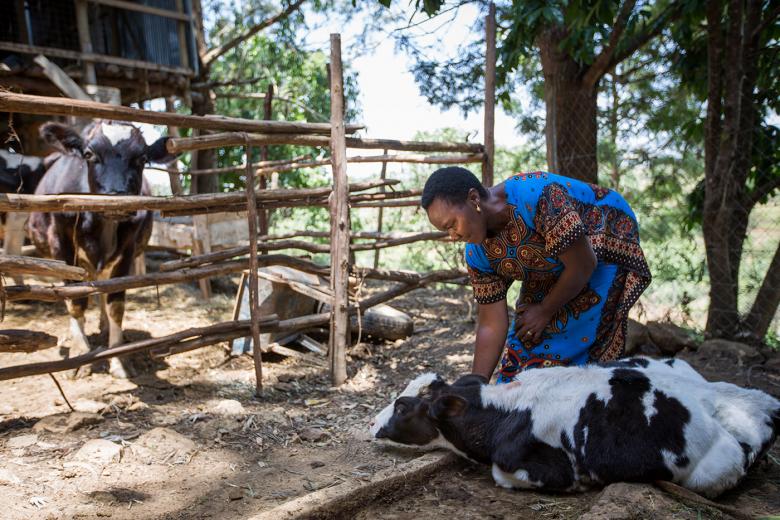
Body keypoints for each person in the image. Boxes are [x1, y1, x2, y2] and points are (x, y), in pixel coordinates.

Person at [422, 167, 651, 383]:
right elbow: (491, 322)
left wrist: (545, 310)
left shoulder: (537, 196)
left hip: (603, 242)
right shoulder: (477, 253)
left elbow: (583, 264)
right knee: (525, 343)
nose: (453, 236)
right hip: (555, 265)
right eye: (446, 231)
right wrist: (474, 386)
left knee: (583, 343)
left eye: (452, 225)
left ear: (473, 199)